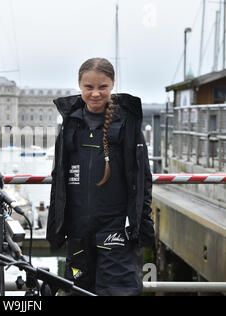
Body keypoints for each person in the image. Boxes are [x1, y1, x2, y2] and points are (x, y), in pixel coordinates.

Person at [47, 58, 154, 296]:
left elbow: (143, 179)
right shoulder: (69, 125)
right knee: (77, 290)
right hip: (78, 232)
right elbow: (59, 179)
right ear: (79, 85)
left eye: (102, 87)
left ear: (112, 85)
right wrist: (56, 223)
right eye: (88, 87)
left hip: (115, 230)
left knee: (118, 291)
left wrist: (141, 223)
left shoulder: (128, 125)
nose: (95, 93)